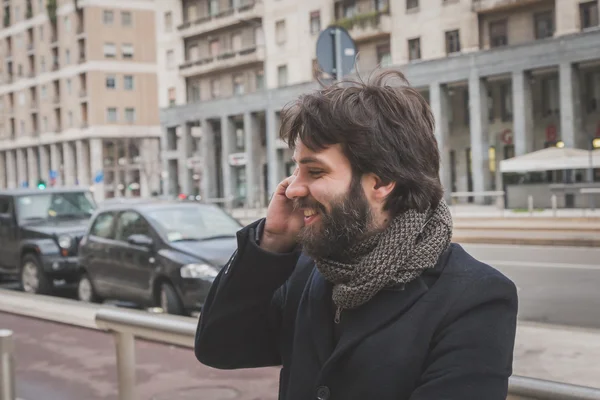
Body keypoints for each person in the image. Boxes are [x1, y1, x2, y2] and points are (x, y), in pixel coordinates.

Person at [194, 69, 518, 400]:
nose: (292, 188)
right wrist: (273, 241)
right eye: (296, 169)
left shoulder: (476, 297)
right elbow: (219, 348)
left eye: (315, 171)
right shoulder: (307, 271)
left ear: (381, 182)